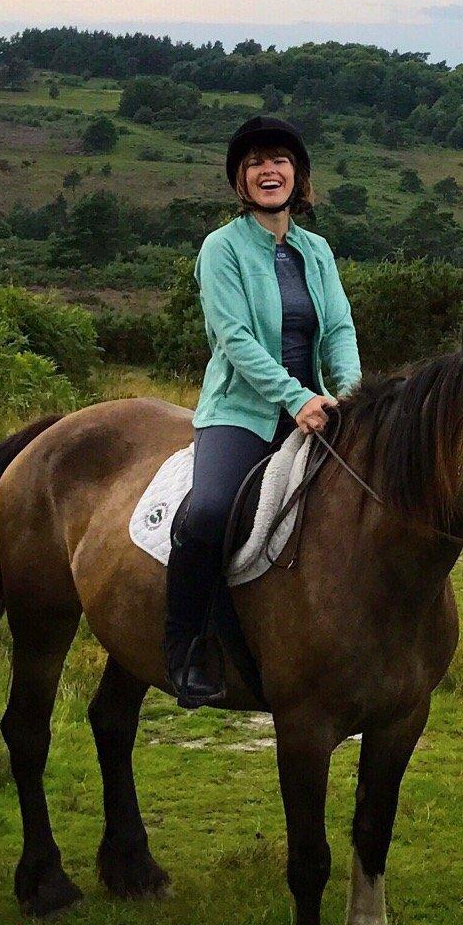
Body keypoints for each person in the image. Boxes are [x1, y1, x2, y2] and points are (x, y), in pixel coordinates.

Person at [164, 114, 362, 707]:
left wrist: (347, 392)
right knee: (209, 514)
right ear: (240, 181)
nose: (266, 170)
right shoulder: (221, 248)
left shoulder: (316, 250)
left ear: (297, 174)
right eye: (254, 163)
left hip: (320, 408)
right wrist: (295, 398)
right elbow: (235, 337)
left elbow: (339, 328)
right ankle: (187, 648)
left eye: (278, 159)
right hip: (243, 413)